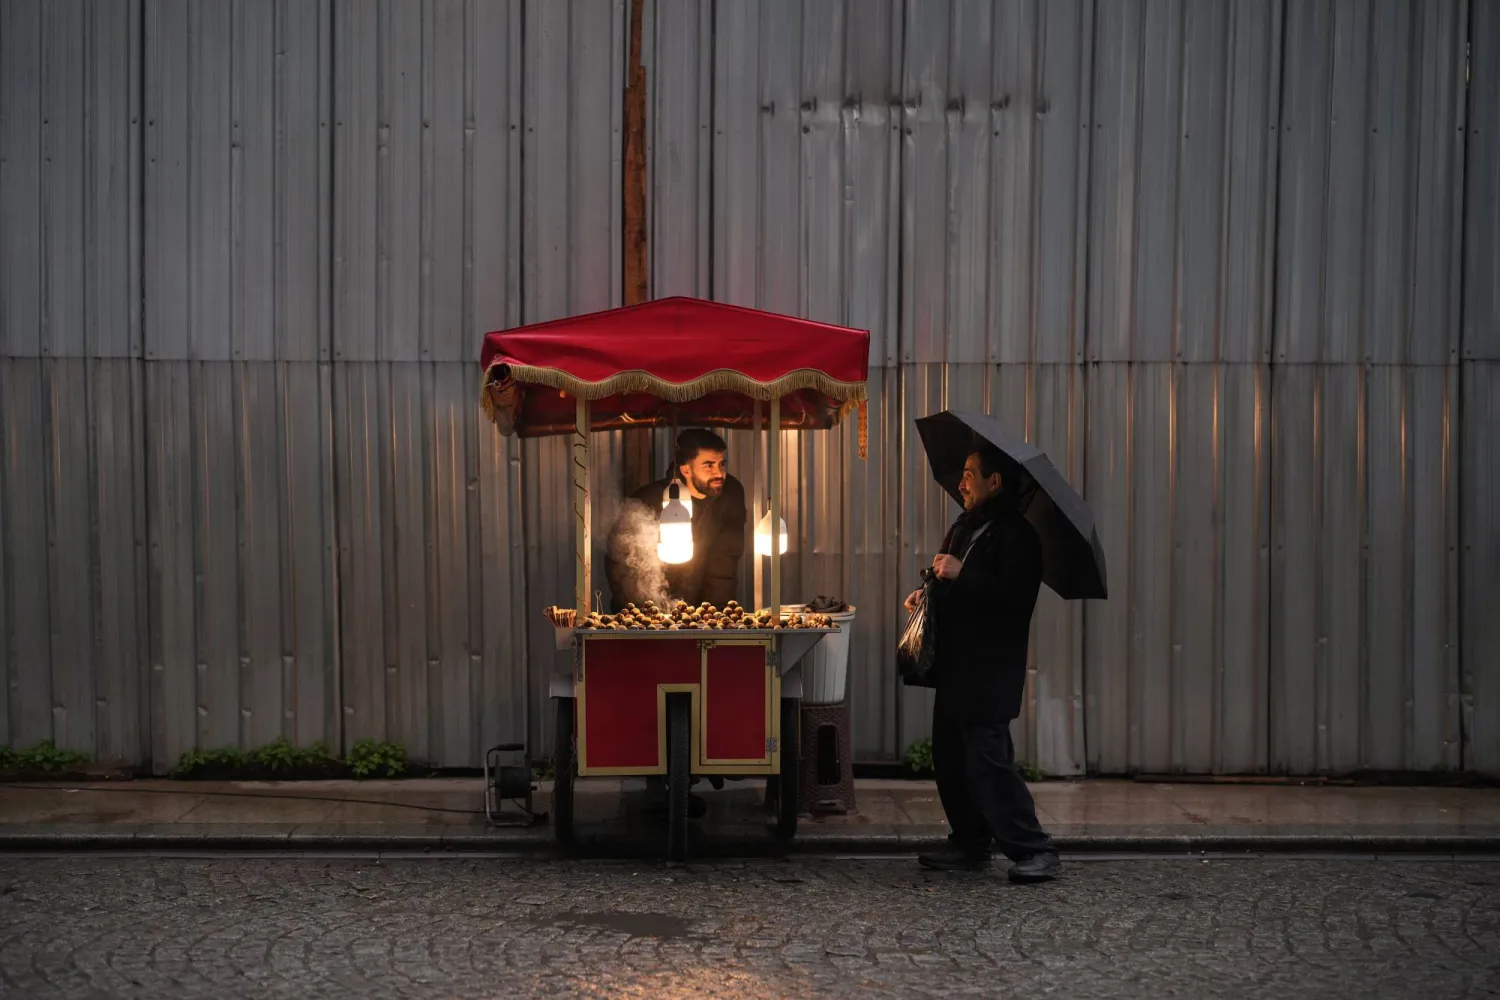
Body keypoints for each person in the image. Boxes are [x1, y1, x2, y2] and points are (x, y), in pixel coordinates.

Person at [904, 443, 1060, 883]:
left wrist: (962, 574)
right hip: (954, 667)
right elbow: (948, 581)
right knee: (949, 759)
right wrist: (926, 595)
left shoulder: (1019, 537)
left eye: (971, 474)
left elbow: (1013, 601)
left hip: (989, 671)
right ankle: (970, 843)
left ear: (995, 482)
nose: (962, 482)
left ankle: (1034, 848)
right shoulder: (963, 528)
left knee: (988, 763)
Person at [606, 428, 747, 612]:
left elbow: (724, 564)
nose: (719, 474)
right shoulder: (647, 502)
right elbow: (623, 565)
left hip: (698, 612)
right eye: (708, 465)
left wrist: (717, 616)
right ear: (686, 470)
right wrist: (649, 617)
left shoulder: (730, 494)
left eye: (722, 464)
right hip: (646, 613)